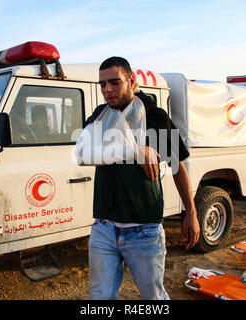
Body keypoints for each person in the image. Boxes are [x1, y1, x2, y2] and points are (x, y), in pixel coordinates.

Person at [81, 56, 200, 300]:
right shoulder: (100, 115)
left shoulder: (154, 117)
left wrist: (191, 212)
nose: (107, 90)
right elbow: (83, 152)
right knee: (101, 297)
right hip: (104, 227)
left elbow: (178, 167)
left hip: (144, 229)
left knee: (153, 297)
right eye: (102, 84)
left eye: (114, 82)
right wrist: (137, 150)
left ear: (131, 80)